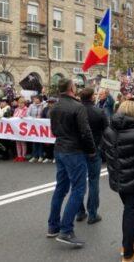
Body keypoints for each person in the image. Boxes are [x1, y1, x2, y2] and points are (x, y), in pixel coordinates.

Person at [102, 100, 134, 262]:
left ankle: (127, 245)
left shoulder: (109, 131)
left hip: (117, 178)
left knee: (128, 211)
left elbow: (106, 154)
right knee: (130, 215)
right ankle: (129, 253)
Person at [47, 78, 96, 247]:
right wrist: (91, 150)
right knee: (78, 189)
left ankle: (53, 226)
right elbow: (85, 132)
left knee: (60, 188)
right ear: (71, 88)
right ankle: (66, 230)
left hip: (59, 149)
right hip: (74, 151)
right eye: (74, 86)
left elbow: (53, 130)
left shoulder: (54, 107)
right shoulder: (77, 106)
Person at [76, 88, 109, 224]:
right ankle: (92, 214)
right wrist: (101, 147)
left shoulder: (76, 110)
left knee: (78, 183)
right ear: (91, 97)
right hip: (94, 150)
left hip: (77, 151)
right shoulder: (99, 111)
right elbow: (107, 131)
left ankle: (80, 212)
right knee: (93, 182)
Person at [27, 95, 45, 162]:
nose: (35, 100)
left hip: (40, 125)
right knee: (34, 140)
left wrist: (40, 118)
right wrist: (33, 119)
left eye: (37, 98)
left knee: (40, 141)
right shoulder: (31, 106)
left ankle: (41, 156)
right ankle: (34, 156)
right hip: (33, 125)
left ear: (40, 99)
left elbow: (44, 114)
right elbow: (28, 114)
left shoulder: (43, 105)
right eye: (34, 99)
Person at [41, 97, 56, 163]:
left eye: (52, 102)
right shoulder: (45, 109)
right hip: (46, 129)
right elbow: (42, 117)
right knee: (47, 144)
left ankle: (55, 157)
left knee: (54, 143)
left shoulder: (57, 109)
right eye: (49, 102)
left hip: (54, 128)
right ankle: (48, 156)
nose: (50, 104)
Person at [13, 97, 28, 162]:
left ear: (24, 104)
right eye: (19, 103)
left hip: (23, 128)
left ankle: (23, 156)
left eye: (22, 103)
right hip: (16, 128)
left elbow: (27, 117)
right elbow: (14, 116)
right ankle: (19, 155)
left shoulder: (26, 109)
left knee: (22, 142)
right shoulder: (16, 109)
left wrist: (23, 117)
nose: (20, 104)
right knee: (17, 142)